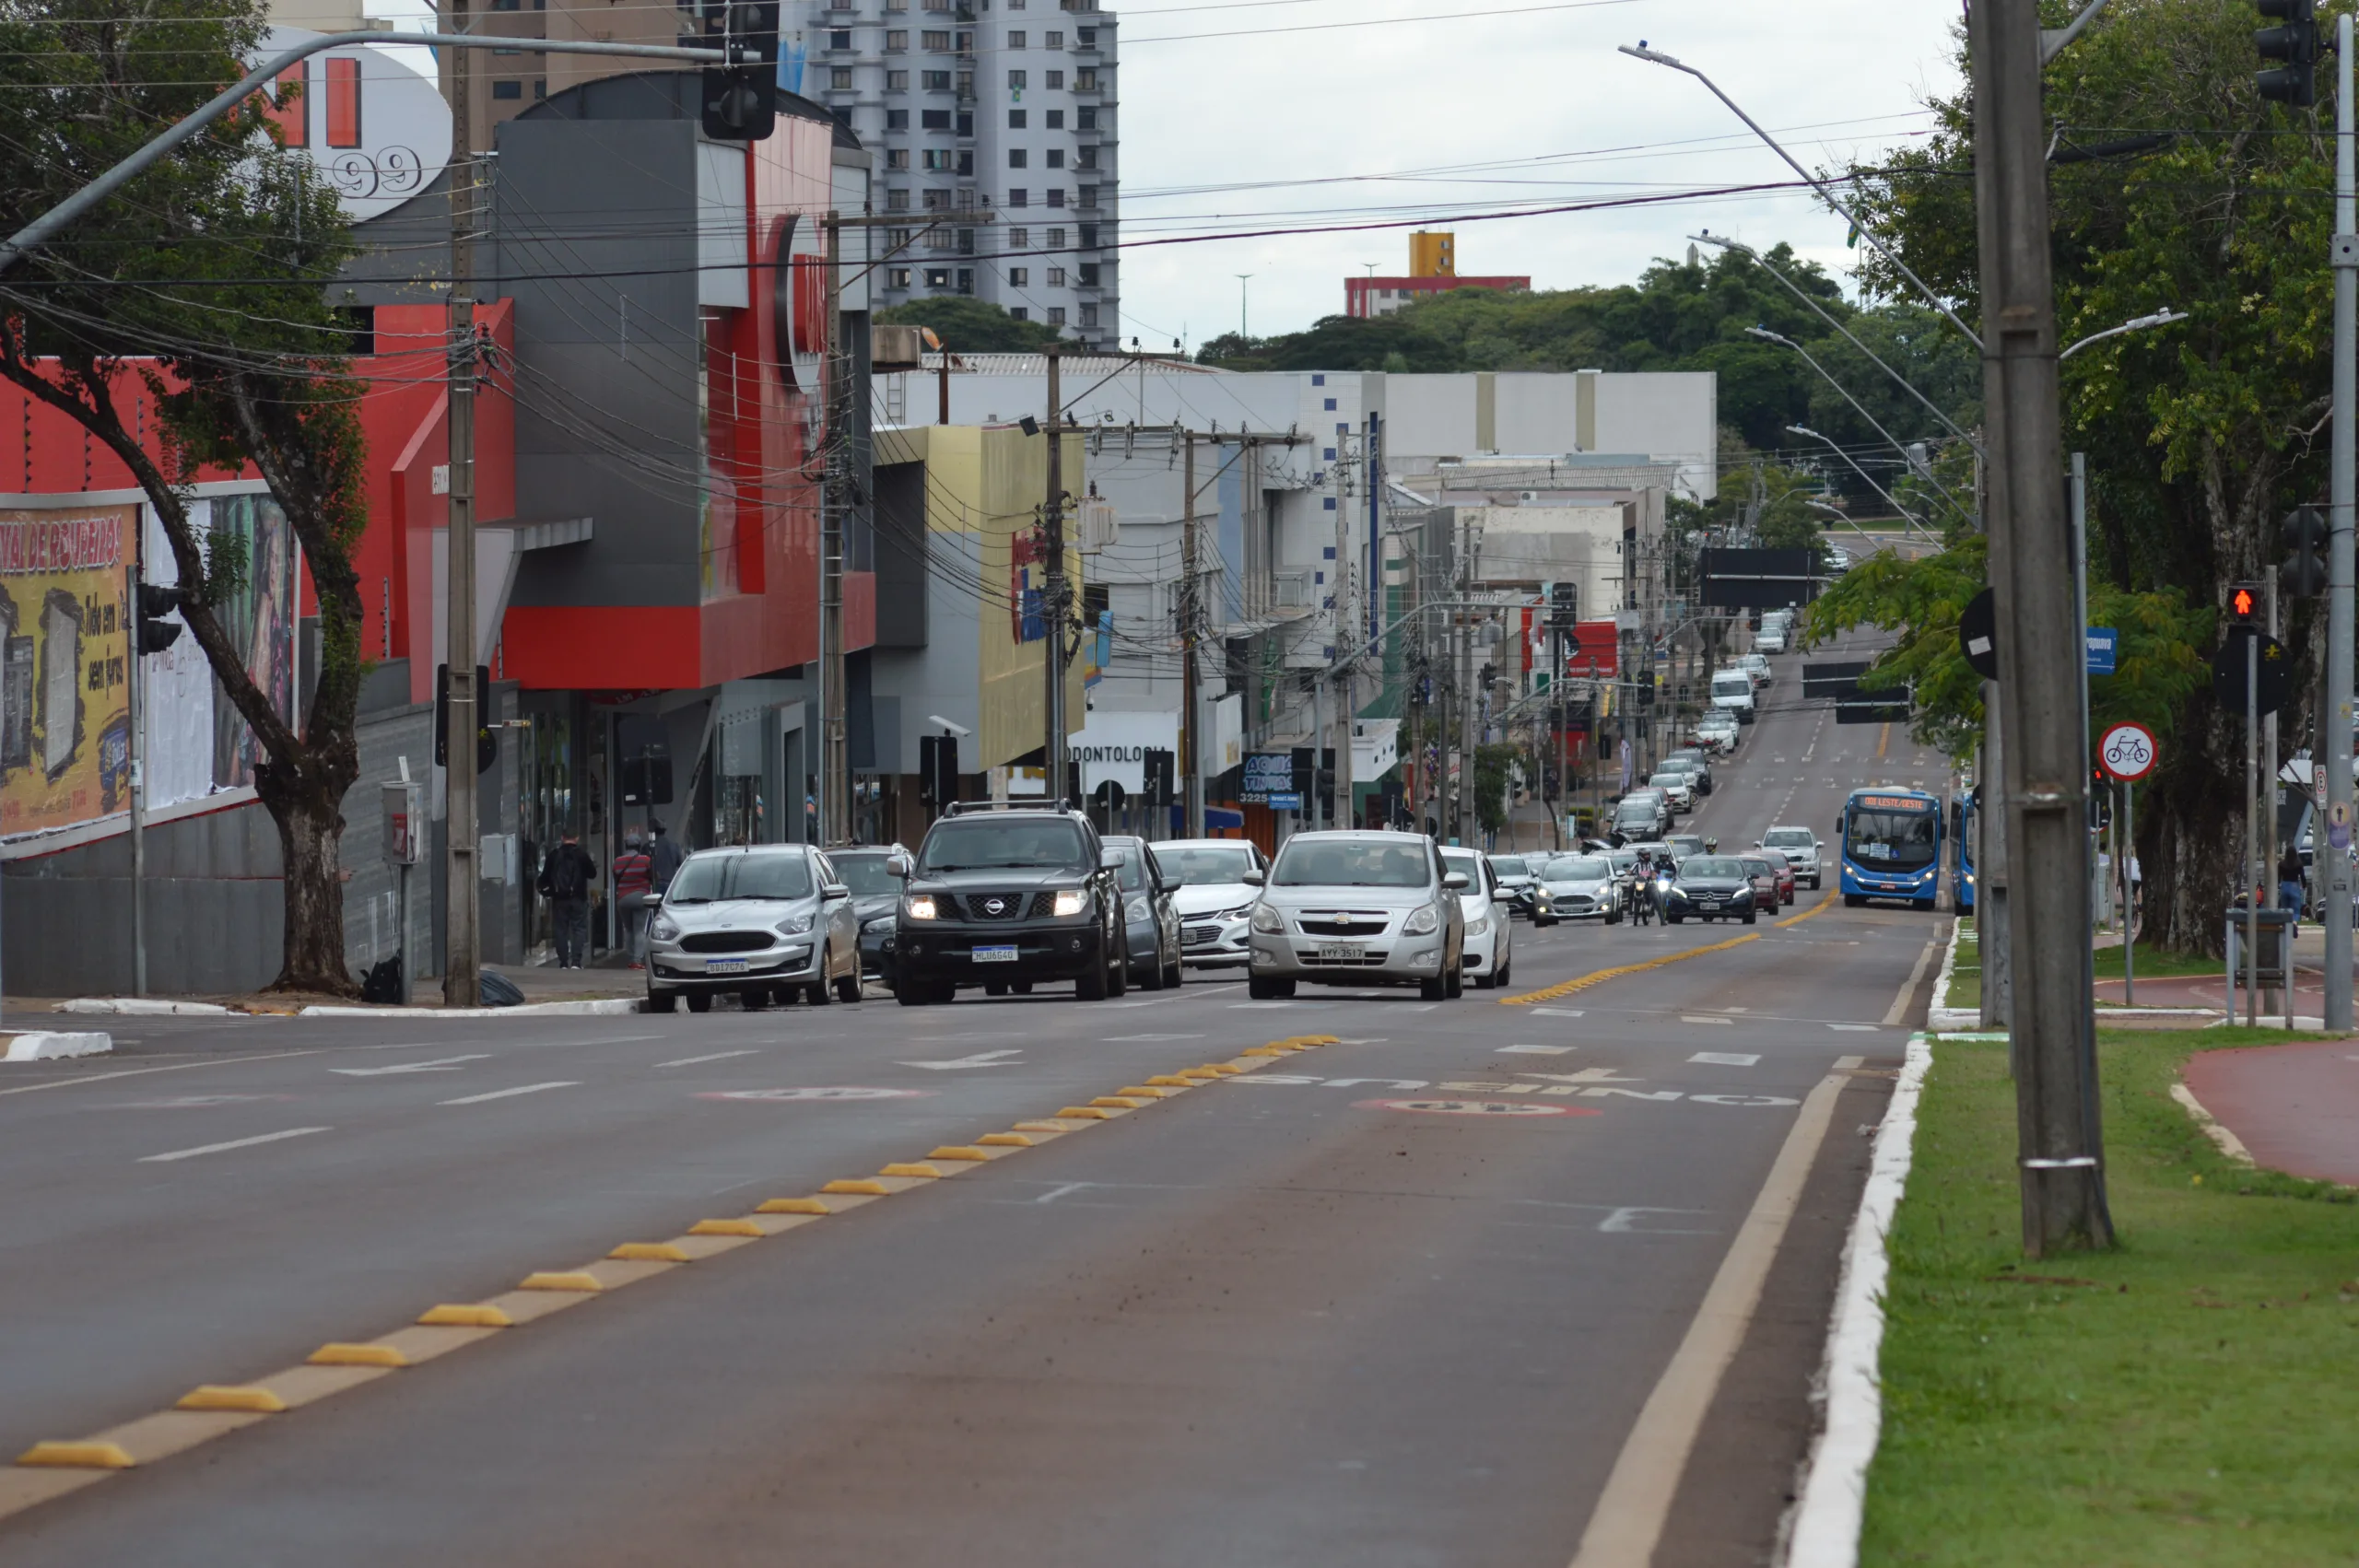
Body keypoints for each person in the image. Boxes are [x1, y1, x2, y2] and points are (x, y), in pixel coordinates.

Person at [536, 826, 597, 969]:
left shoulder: (554, 855)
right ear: (577, 838)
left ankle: (563, 962)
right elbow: (592, 873)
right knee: (579, 929)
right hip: (578, 897)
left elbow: (544, 877)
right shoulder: (581, 854)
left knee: (560, 929)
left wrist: (547, 890)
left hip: (559, 899)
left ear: (562, 838)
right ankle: (576, 962)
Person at [614, 828, 653, 968]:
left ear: (626, 846)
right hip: (641, 898)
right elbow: (653, 877)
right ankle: (637, 960)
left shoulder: (618, 861)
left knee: (628, 929)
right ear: (639, 846)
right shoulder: (646, 860)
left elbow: (616, 879)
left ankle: (631, 959)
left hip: (623, 899)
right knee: (639, 930)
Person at [648, 816, 685, 895]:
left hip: (655, 885)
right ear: (665, 830)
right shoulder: (675, 846)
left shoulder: (648, 847)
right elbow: (682, 865)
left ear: (654, 830)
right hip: (671, 884)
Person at [2279, 846, 2306, 936]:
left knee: (2284, 908)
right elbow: (2302, 877)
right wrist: (2304, 886)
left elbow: (2278, 877)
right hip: (2294, 885)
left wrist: (2278, 886)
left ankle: (2285, 926)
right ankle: (2294, 923)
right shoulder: (2298, 864)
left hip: (2285, 885)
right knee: (2296, 909)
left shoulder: (2282, 864)